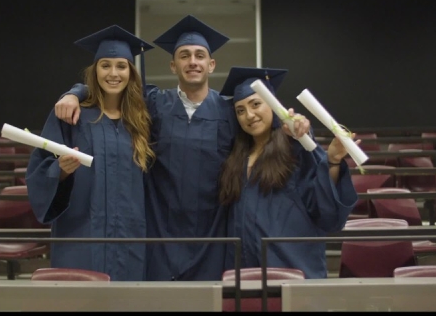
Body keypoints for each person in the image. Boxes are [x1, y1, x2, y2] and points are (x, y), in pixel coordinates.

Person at [54, 15, 312, 281]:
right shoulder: (153, 104)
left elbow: (264, 125)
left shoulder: (230, 111)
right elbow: (115, 84)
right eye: (184, 55)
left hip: (213, 237)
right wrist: (76, 92)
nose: (192, 62)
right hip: (160, 235)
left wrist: (296, 124)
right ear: (172, 65)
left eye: (200, 56)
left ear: (211, 65)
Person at [25, 25, 156, 281]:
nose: (113, 73)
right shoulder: (72, 116)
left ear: (131, 72)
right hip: (81, 236)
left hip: (130, 238)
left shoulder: (143, 119)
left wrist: (76, 91)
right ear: (94, 71)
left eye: (121, 65)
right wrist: (60, 171)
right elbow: (40, 168)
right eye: (105, 65)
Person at [218, 66, 359, 279]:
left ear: (274, 105)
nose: (249, 115)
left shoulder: (295, 148)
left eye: (256, 104)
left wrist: (332, 160)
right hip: (244, 272)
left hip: (291, 269)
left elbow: (325, 208)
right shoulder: (235, 158)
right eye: (240, 110)